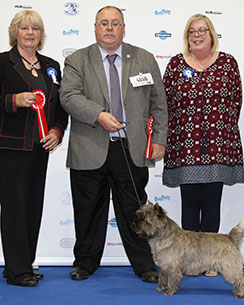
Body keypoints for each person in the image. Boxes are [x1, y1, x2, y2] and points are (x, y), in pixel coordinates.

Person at [59, 6, 168, 282]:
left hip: (130, 150)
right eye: (104, 23)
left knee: (137, 211)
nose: (109, 28)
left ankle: (144, 264)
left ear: (124, 28)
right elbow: (69, 96)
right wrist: (98, 115)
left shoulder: (143, 59)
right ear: (95, 27)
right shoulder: (77, 60)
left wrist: (159, 139)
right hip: (89, 147)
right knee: (88, 211)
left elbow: (159, 104)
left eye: (115, 23)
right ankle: (84, 262)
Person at [163, 14, 244, 277]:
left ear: (212, 34)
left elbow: (236, 101)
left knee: (211, 203)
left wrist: (223, 130)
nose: (197, 35)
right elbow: (165, 103)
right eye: (192, 31)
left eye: (202, 30)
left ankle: (210, 262)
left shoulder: (228, 63)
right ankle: (189, 262)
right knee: (189, 204)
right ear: (187, 37)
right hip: (184, 145)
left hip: (218, 145)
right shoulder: (175, 64)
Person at [0, 10, 68, 287]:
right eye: (24, 28)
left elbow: (60, 106)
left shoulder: (51, 66)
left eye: (35, 29)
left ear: (41, 34)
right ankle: (17, 271)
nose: (30, 33)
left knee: (32, 207)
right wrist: (14, 100)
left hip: (40, 148)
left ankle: (24, 264)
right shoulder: (3, 63)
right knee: (14, 209)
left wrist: (57, 131)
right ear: (15, 32)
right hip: (11, 147)